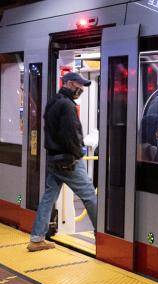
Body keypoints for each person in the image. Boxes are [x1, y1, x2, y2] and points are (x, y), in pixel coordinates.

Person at [27, 72, 99, 252]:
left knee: (48, 197)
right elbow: (71, 134)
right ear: (69, 83)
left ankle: (36, 239)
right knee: (89, 194)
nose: (81, 89)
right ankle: (104, 235)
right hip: (68, 161)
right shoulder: (67, 106)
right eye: (79, 85)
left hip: (54, 158)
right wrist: (78, 153)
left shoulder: (53, 102)